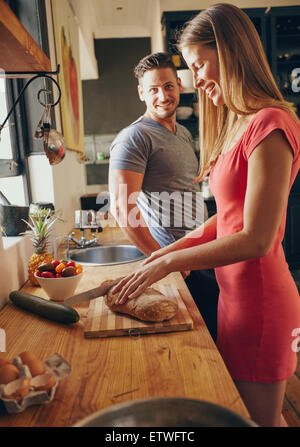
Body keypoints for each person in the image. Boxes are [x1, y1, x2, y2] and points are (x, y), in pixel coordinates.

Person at [111, 4, 300, 427]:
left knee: (261, 420)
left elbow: (256, 238)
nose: (195, 81)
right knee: (250, 418)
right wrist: (163, 257)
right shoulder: (240, 125)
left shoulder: (270, 123)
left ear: (231, 52)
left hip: (262, 305)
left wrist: (171, 262)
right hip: (233, 300)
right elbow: (226, 219)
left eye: (199, 65)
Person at [109, 52, 219, 341]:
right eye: (154, 89)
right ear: (141, 92)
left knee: (217, 337)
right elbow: (123, 208)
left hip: (203, 254)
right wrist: (162, 261)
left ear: (179, 86)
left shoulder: (182, 133)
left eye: (168, 86)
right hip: (177, 263)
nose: (163, 95)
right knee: (196, 345)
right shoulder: (134, 138)